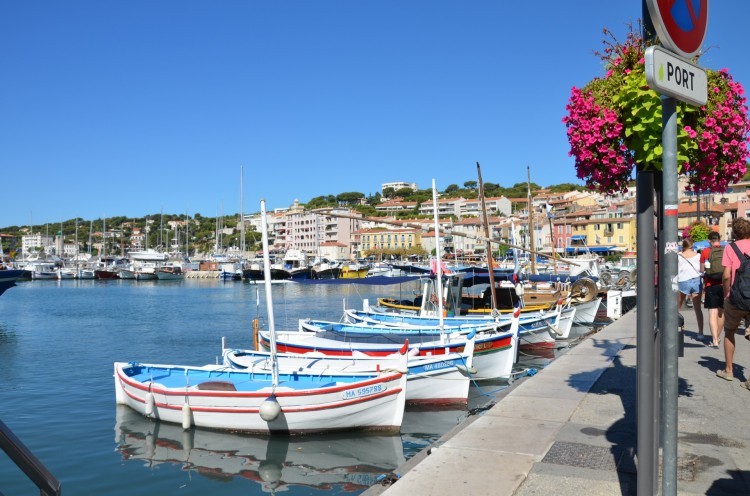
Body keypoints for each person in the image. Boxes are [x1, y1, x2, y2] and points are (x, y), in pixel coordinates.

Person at [717, 216, 750, 390]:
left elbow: (727, 275)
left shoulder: (730, 248)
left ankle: (729, 370)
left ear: (734, 233)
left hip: (735, 298)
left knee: (730, 331)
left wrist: (727, 293)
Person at [701, 231, 724, 347]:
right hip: (724, 284)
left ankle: (714, 340)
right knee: (721, 313)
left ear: (710, 241)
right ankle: (718, 336)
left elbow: (701, 270)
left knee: (712, 313)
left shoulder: (705, 251)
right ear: (719, 239)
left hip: (711, 285)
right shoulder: (726, 250)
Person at [677, 237, 704, 336]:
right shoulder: (698, 255)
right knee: (698, 309)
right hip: (696, 281)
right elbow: (702, 269)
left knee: (677, 307)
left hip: (683, 281)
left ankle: (676, 329)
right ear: (692, 245)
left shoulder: (679, 256)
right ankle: (700, 333)